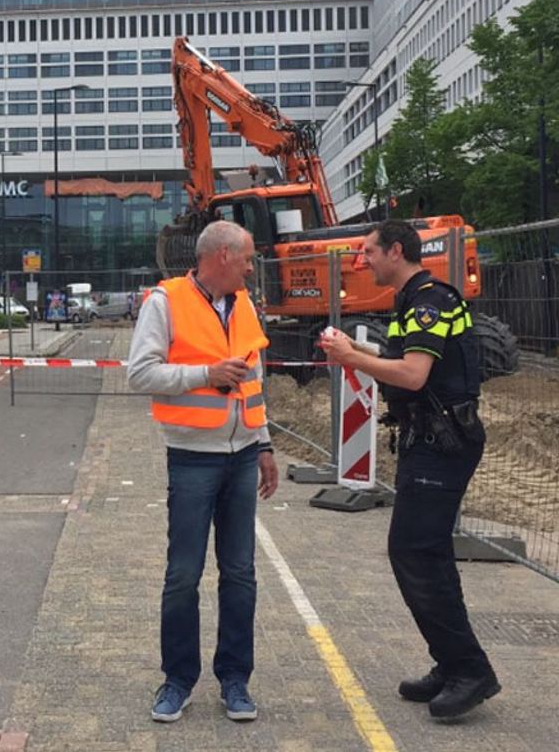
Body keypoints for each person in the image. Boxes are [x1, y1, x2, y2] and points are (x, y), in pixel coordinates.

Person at [320, 219, 499, 720]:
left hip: (442, 443)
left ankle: (469, 669)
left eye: (369, 252)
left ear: (395, 251)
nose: (363, 261)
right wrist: (353, 353)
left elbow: (413, 375)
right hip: (432, 440)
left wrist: (352, 357)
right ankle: (452, 662)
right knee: (427, 554)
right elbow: (403, 357)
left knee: (414, 552)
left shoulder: (428, 301)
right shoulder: (413, 301)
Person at [128, 220, 279, 724]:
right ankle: (178, 680)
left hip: (240, 458)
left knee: (240, 574)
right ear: (220, 257)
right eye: (247, 259)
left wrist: (264, 444)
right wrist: (204, 375)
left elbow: (254, 380)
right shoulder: (165, 302)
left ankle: (235, 680)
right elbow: (141, 373)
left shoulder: (244, 305)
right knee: (183, 575)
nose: (252, 268)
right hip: (192, 456)